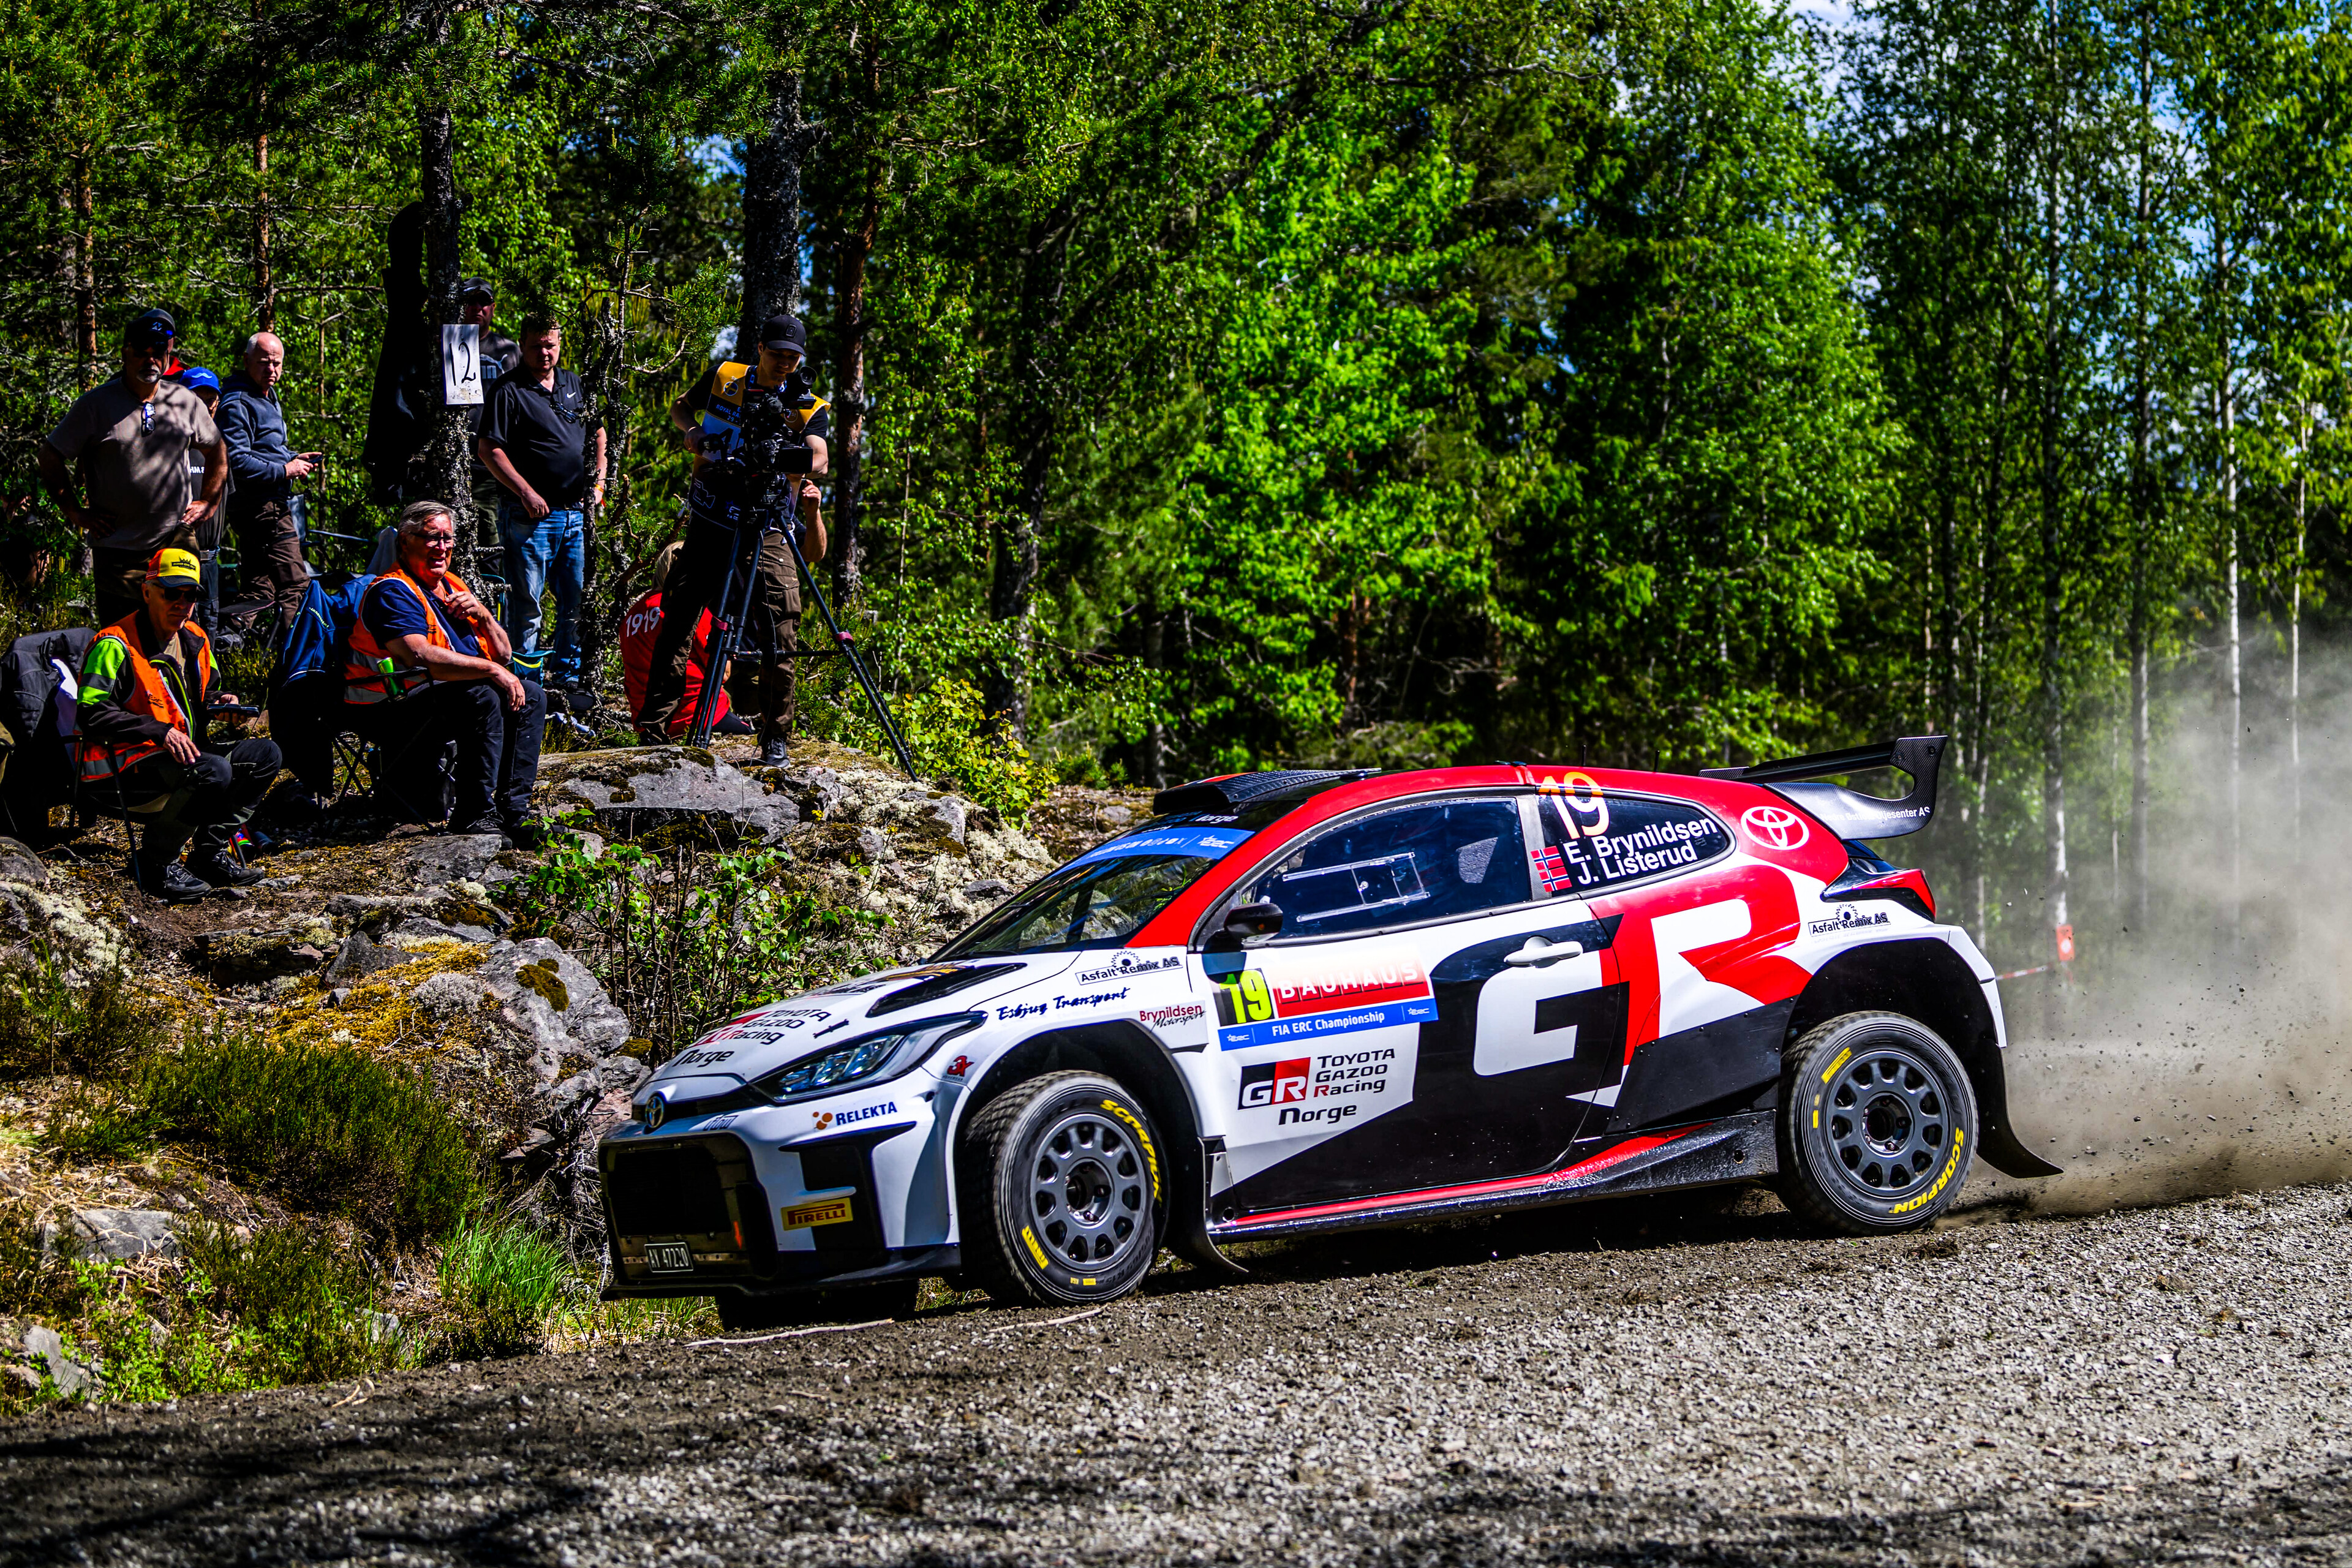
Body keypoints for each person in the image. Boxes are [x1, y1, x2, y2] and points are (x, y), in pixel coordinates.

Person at [642, 312, 828, 765]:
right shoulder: (725, 376)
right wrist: (693, 432)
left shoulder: (807, 404)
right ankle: (654, 730)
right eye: (778, 354)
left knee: (781, 628)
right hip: (711, 519)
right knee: (679, 620)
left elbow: (820, 459)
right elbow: (681, 406)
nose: (785, 363)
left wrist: (780, 456)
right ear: (760, 348)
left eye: (793, 358)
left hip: (768, 526)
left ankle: (775, 736)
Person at [76, 547, 282, 902]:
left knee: (267, 754)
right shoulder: (114, 644)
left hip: (180, 757)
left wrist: (222, 704)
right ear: (147, 591)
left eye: (191, 595)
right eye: (172, 593)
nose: (182, 604)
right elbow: (91, 712)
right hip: (122, 769)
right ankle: (156, 862)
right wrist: (159, 731)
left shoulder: (195, 639)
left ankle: (208, 854)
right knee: (212, 771)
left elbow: (203, 696)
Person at [342, 500, 545, 842]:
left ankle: (514, 813)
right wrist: (492, 671)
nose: (442, 547)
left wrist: (484, 616)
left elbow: (505, 655)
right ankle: (474, 815)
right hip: (387, 707)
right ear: (405, 541)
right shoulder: (392, 591)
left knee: (532, 696)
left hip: (438, 697)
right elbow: (417, 654)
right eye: (431, 537)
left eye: (447, 538)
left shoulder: (454, 586)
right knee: (482, 696)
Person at [37, 309, 226, 627]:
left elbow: (217, 449)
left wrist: (209, 501)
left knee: (178, 630)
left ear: (169, 354)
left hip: (176, 539)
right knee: (122, 638)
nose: (150, 360)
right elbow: (50, 457)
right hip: (118, 548)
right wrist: (76, 512)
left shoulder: (184, 401)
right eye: (141, 352)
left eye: (158, 352)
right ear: (125, 353)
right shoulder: (95, 405)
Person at [478, 314, 603, 688]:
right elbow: (489, 450)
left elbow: (598, 433)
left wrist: (598, 486)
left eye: (550, 345)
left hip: (576, 515)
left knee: (575, 603)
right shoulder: (508, 390)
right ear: (523, 346)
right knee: (527, 606)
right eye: (536, 346)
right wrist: (526, 491)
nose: (544, 353)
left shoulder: (574, 383)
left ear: (560, 344)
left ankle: (567, 681)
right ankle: (525, 684)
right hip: (528, 517)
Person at [215, 332, 322, 631]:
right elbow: (236, 461)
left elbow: (265, 450)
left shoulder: (266, 396)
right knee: (295, 584)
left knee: (259, 588)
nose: (271, 370)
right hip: (261, 507)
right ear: (246, 361)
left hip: (265, 504)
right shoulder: (237, 403)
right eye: (264, 363)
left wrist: (294, 457)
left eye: (277, 364)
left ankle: (230, 643)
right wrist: (286, 470)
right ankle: (297, 656)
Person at [622, 540, 753, 737]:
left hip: (649, 723)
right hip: (698, 715)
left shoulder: (632, 616)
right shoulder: (689, 608)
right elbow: (722, 672)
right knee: (749, 735)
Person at [458, 279, 519, 551]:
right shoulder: (445, 347)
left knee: (492, 537)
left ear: (493, 308)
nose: (477, 308)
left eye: (483, 302)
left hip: (495, 463)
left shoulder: (509, 351)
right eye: (470, 302)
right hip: (452, 461)